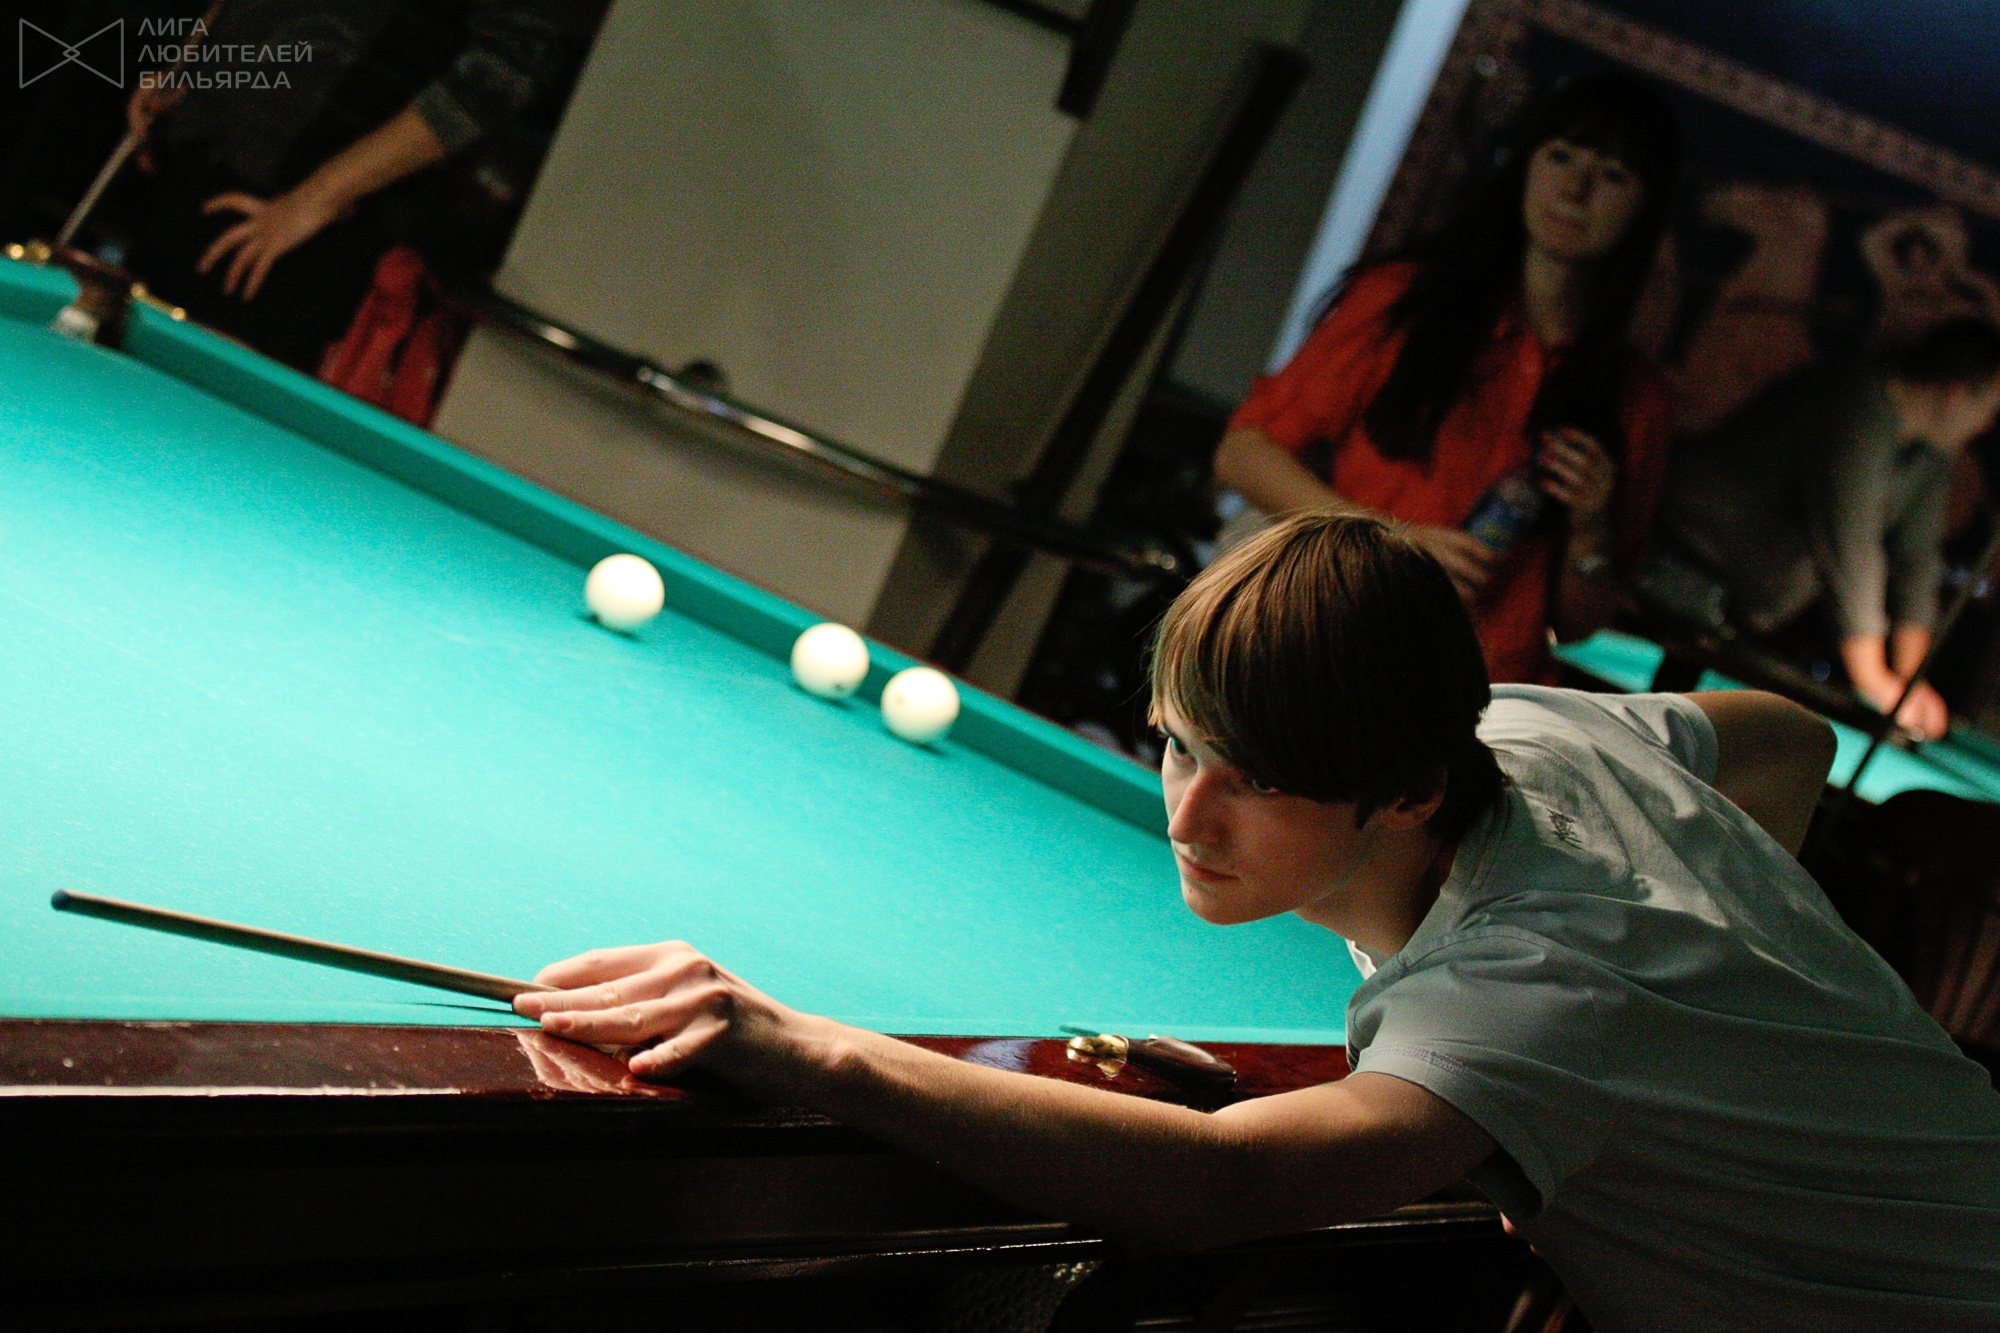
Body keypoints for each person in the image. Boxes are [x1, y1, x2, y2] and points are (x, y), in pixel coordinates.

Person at [515, 514, 2000, 1333]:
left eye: (1258, 780)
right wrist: (1683, 1058)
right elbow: (1788, 738)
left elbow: (1222, 1183)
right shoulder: (1533, 730)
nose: (1186, 813)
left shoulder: (1528, 989)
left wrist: (809, 1048)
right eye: (1177, 744)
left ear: (1409, 790)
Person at [1213, 76, 1680, 685]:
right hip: (1336, 641)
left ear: (1645, 208)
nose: (1575, 188)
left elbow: (1576, 624)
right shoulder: (1403, 300)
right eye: (1560, 156)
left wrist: (1591, 523)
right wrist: (1389, 540)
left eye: (1613, 175)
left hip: (1481, 686)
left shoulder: (1636, 397)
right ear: (1525, 164)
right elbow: (1243, 452)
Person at [119, 0, 594, 371]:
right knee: (114, 375)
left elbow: (508, 67)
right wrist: (190, 65)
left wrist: (317, 196)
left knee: (198, 420)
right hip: (197, 164)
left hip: (297, 216)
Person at [1653, 316, 2000, 740]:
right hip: (1673, 569)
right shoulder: (1857, 404)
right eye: (1991, 408)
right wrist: (1875, 680)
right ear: (1956, 392)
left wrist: (1911, 682)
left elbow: (1917, 564)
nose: (1988, 425)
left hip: (1731, 608)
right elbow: (1850, 546)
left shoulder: (1931, 453)